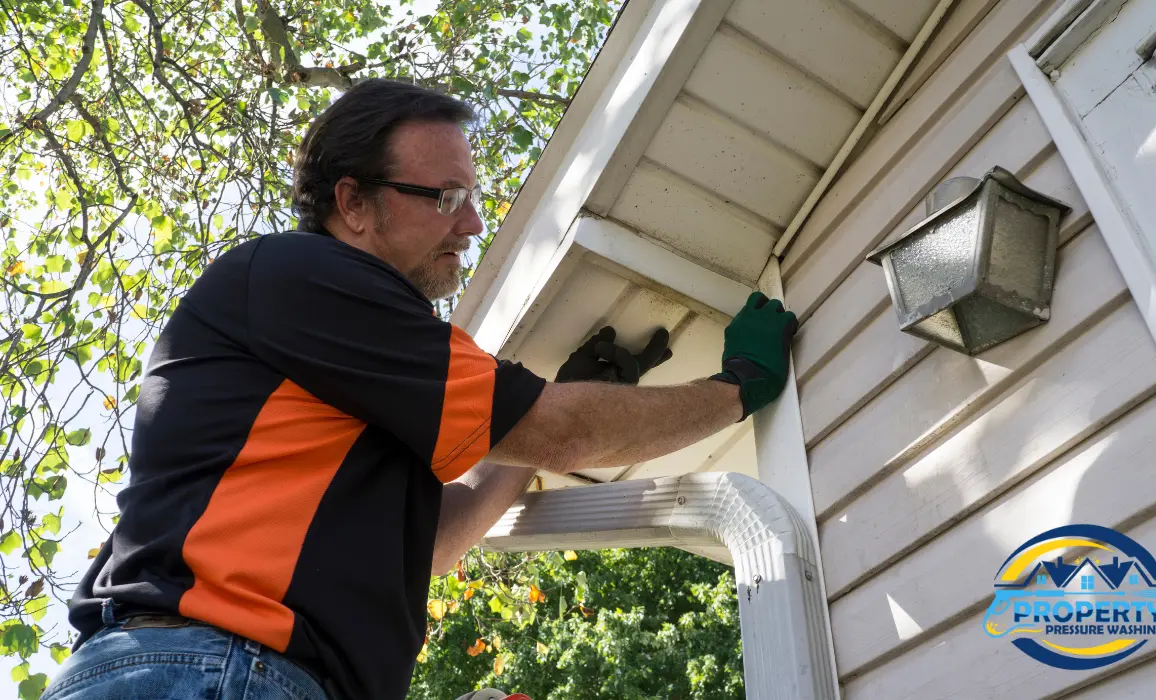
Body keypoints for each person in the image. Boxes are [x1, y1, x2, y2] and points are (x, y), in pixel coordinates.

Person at [43, 79, 798, 700]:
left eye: (472, 197)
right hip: (204, 668)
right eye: (444, 198)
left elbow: (436, 542)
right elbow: (560, 432)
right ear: (355, 204)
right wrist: (736, 388)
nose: (470, 223)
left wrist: (540, 422)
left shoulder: (348, 390)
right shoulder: (301, 277)